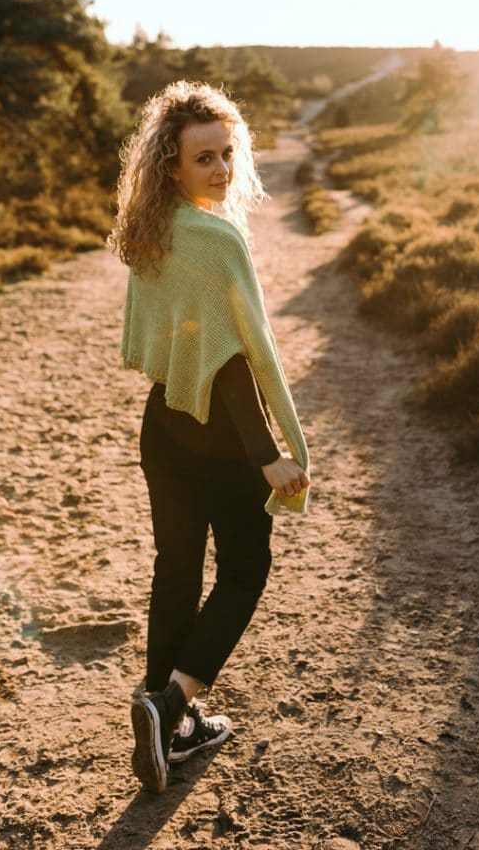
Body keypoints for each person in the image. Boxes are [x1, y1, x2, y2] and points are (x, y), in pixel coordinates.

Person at [107, 80, 311, 793]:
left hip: (163, 428)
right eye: (204, 159)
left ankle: (164, 716)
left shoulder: (151, 228)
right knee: (246, 569)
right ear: (171, 164)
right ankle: (170, 704)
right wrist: (269, 456)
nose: (222, 170)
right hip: (222, 441)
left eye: (228, 154)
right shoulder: (214, 237)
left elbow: (183, 349)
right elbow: (230, 361)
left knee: (176, 568)